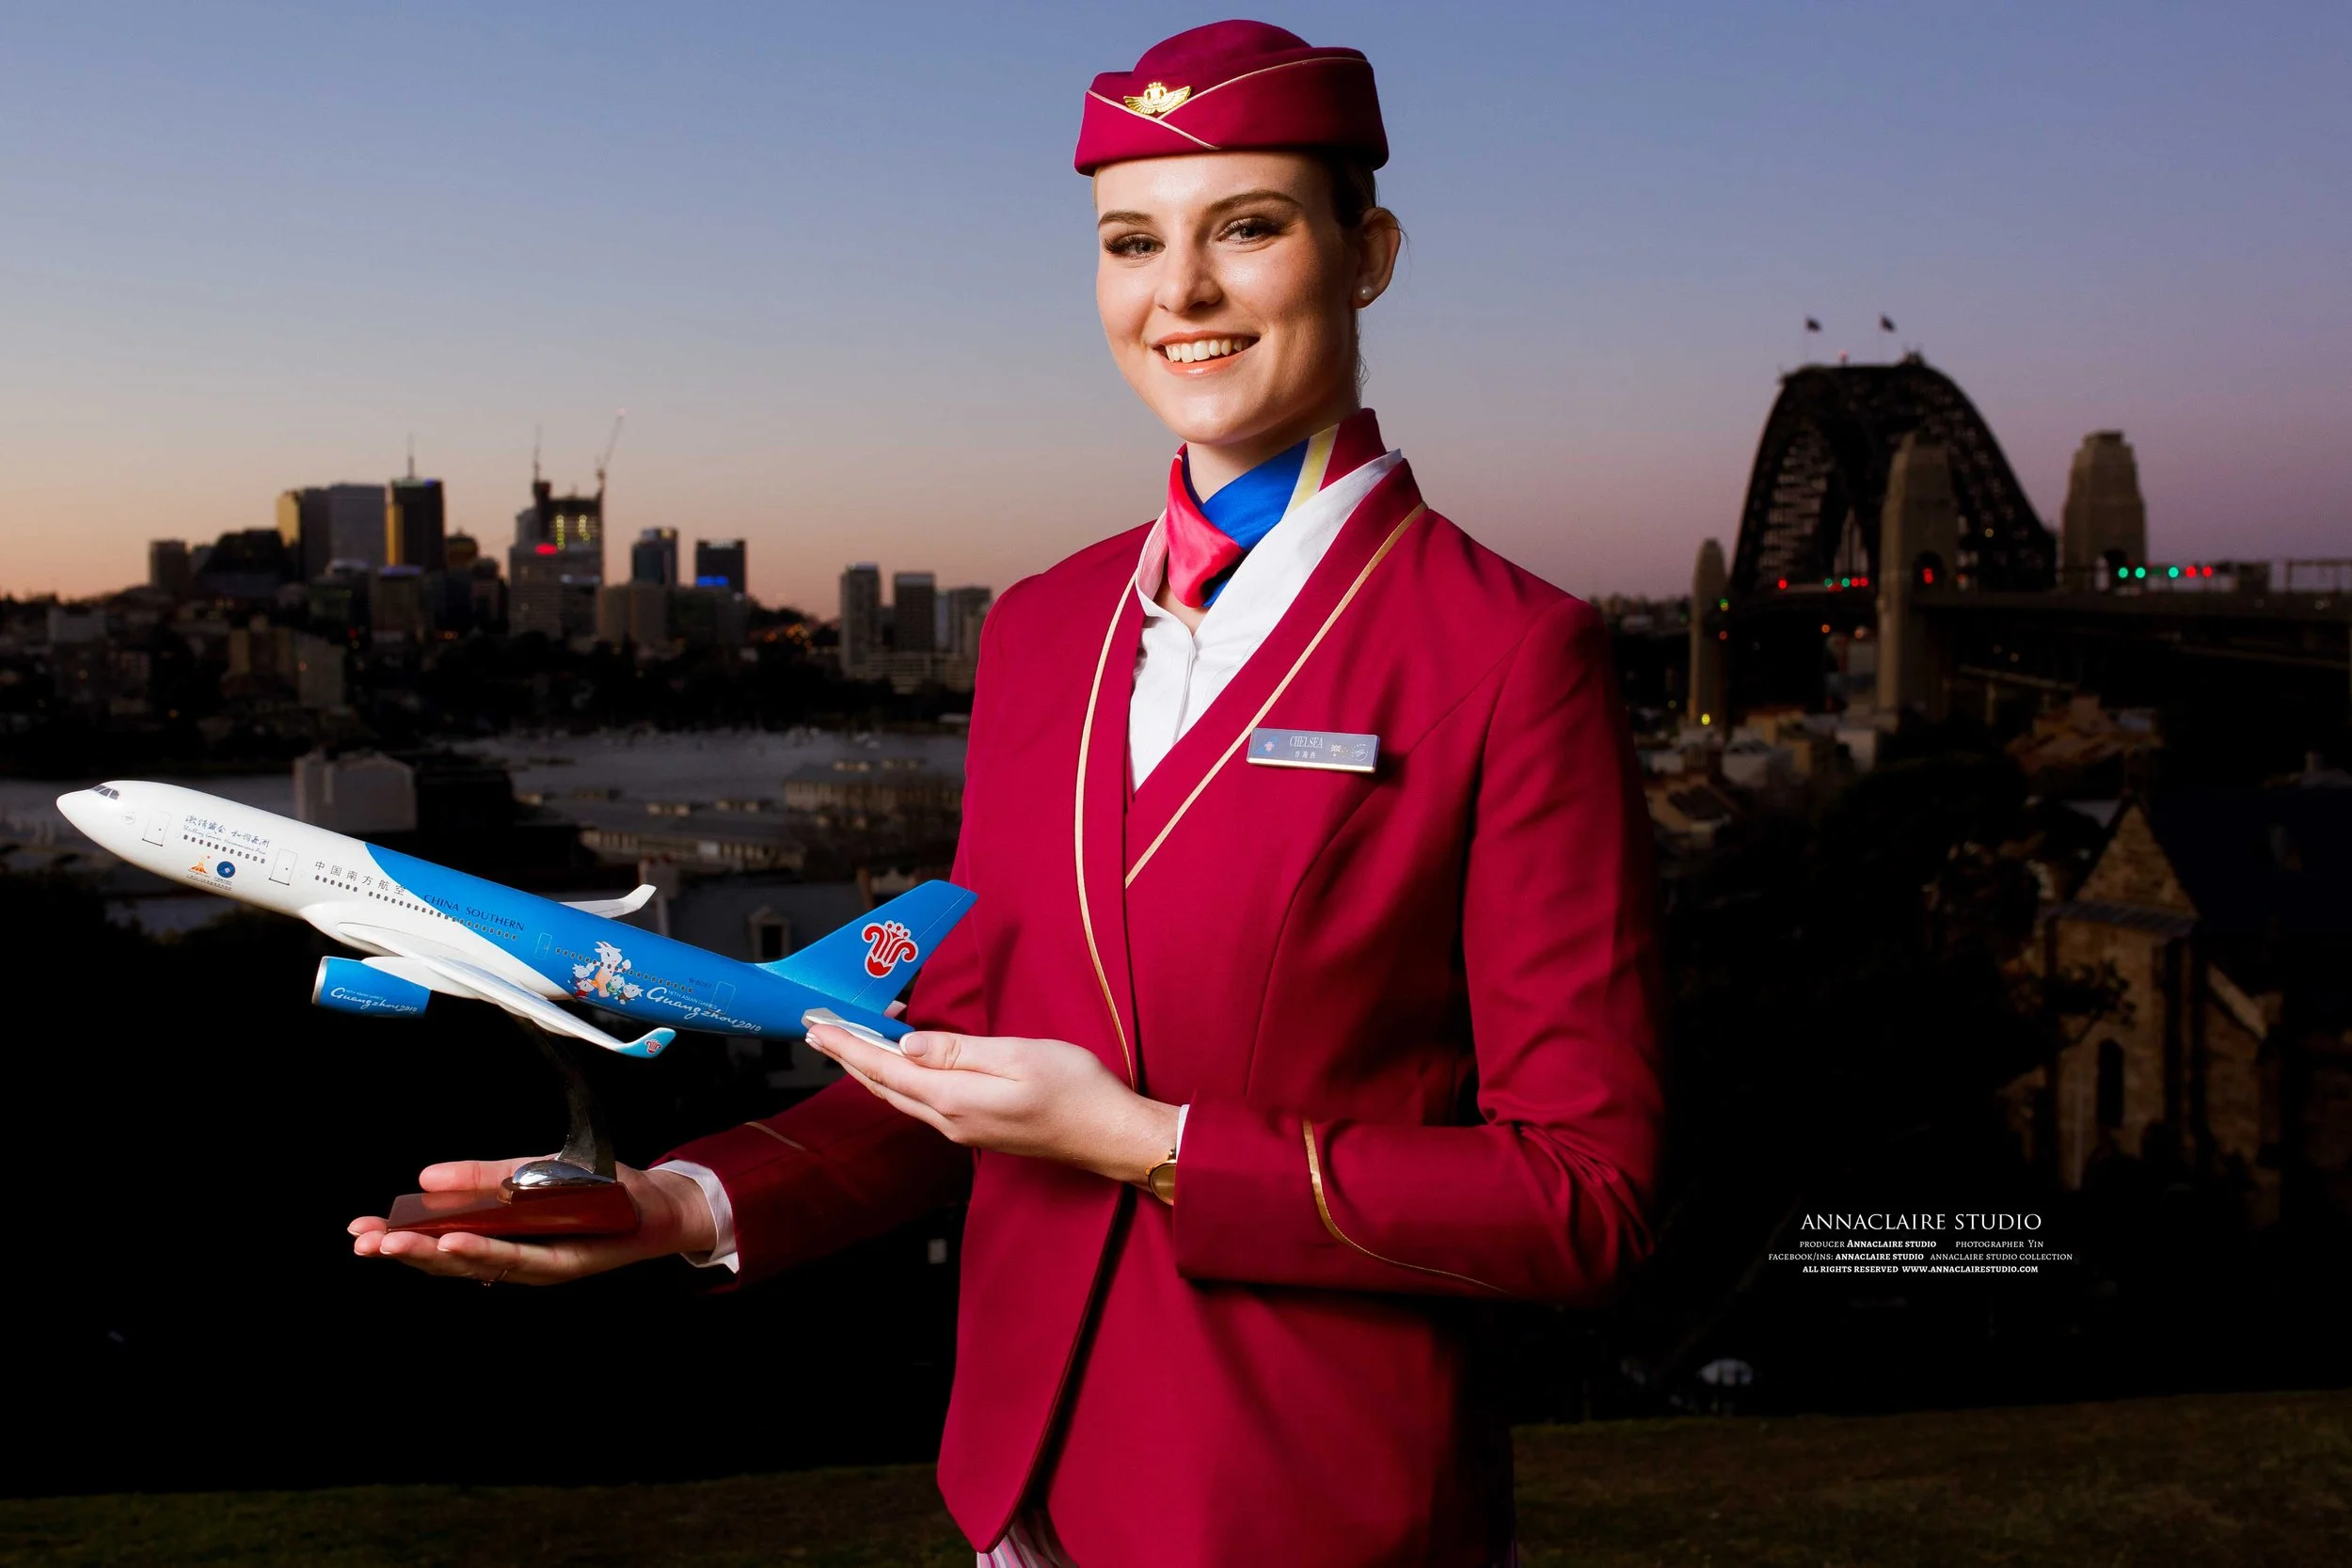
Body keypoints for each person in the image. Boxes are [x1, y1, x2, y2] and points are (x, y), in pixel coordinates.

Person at [352, 21, 1664, 1568]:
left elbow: (1590, 1200)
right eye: (1131, 241)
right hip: (1019, 1499)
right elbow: (953, 1067)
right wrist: (680, 1203)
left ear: (1367, 253)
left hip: (1313, 1507)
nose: (1179, 292)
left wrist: (1153, 1143)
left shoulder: (1512, 652)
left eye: (1246, 227)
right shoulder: (1045, 629)